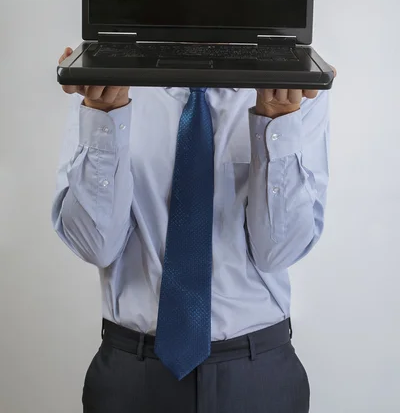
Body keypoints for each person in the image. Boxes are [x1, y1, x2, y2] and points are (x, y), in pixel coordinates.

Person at [52, 46, 336, 413]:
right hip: (133, 375)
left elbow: (278, 253)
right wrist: (104, 115)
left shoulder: (293, 88)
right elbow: (95, 246)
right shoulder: (106, 81)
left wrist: (278, 120)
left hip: (257, 375)